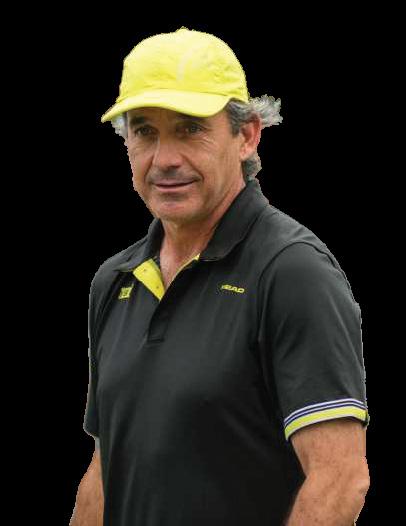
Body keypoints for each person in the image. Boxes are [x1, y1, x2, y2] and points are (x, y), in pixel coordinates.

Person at [71, 27, 370, 526]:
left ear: (247, 135)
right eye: (144, 131)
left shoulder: (292, 272)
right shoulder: (115, 280)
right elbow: (108, 465)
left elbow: (339, 478)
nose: (165, 159)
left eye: (190, 129)